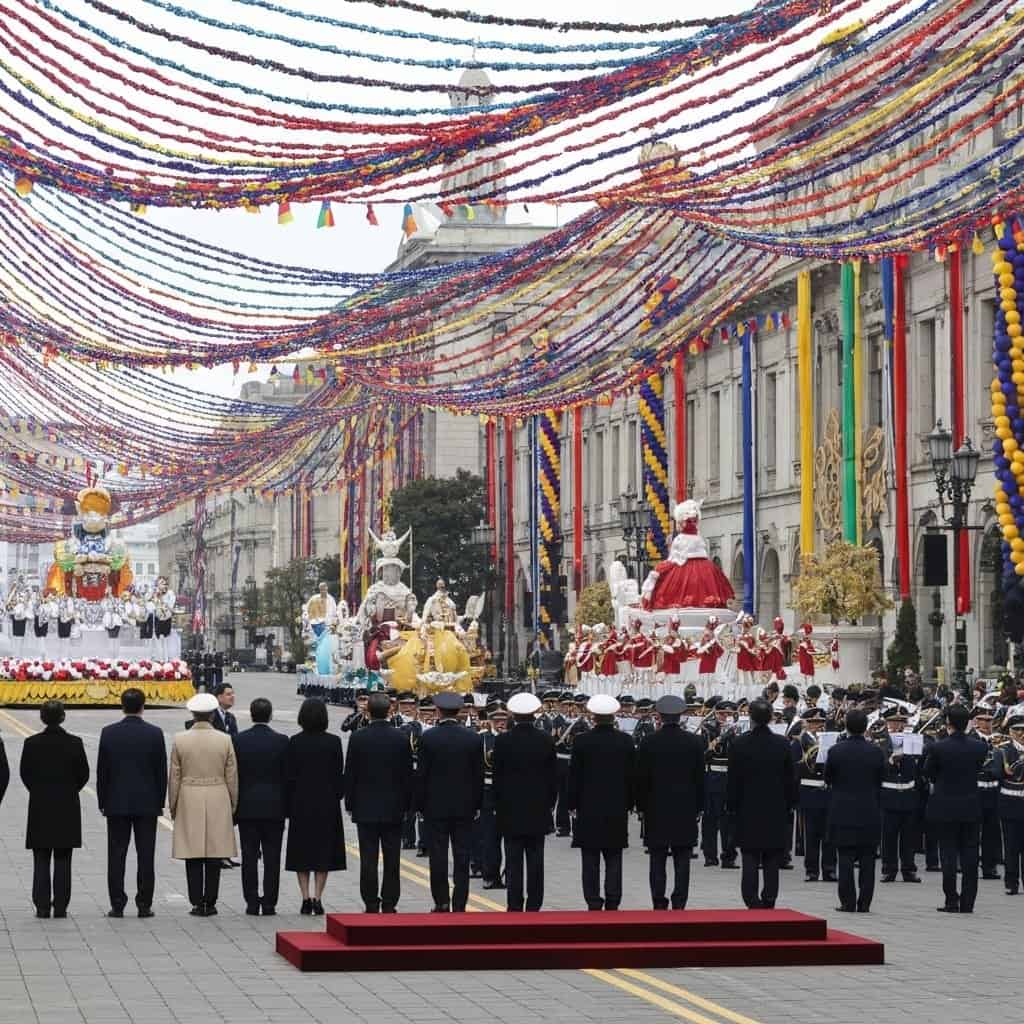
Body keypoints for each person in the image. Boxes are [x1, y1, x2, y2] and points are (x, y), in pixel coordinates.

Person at [96, 688, 167, 918]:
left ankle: (117, 904)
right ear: (143, 706)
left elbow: (102, 772)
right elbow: (160, 772)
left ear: (122, 706)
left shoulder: (108, 733)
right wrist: (159, 801)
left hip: (116, 803)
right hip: (147, 804)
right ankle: (144, 904)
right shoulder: (155, 734)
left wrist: (102, 801)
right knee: (146, 855)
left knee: (116, 855)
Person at [168, 693, 239, 916]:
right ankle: (212, 900)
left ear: (192, 713)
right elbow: (232, 775)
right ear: (211, 715)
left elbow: (174, 776)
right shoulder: (224, 739)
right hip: (218, 792)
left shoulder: (180, 739)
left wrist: (173, 804)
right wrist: (233, 803)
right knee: (214, 851)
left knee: (193, 851)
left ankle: (197, 900)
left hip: (189, 793)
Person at [344, 691, 413, 913]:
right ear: (390, 711)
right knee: (393, 858)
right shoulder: (401, 738)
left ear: (368, 711)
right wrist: (407, 805)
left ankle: (371, 902)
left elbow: (351, 773)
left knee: (368, 858)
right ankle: (390, 901)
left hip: (366, 807)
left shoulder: (358, 738)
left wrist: (350, 803)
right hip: (394, 807)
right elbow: (407, 776)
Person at [19, 700, 89, 918]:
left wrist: (39, 791)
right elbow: (83, 775)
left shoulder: (31, 743)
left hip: (40, 805)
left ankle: (41, 906)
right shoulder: (74, 743)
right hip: (66, 805)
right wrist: (69, 790)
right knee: (63, 858)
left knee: (40, 857)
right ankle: (60, 906)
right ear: (63, 717)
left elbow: (25, 773)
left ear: (42, 717)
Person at [416, 690, 483, 912]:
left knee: (438, 855)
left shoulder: (428, 737)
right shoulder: (473, 738)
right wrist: (477, 805)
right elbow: (478, 776)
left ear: (438, 710)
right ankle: (460, 902)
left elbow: (422, 775)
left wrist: (419, 805)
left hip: (435, 807)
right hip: (465, 807)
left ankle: (441, 901)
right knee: (462, 855)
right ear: (460, 711)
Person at [635, 695, 705, 910]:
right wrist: (699, 807)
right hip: (685, 808)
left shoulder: (648, 742)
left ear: (660, 716)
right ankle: (679, 901)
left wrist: (641, 807)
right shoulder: (694, 742)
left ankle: (658, 900)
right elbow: (699, 778)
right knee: (682, 858)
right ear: (681, 715)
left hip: (656, 808)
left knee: (657, 858)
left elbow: (641, 778)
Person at [726, 698, 797, 909]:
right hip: (775, 808)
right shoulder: (782, 744)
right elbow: (790, 779)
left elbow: (733, 780)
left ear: (751, 718)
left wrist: (731, 806)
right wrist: (791, 804)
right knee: (771, 857)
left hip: (747, 808)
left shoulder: (739, 744)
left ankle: (751, 899)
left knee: (749, 854)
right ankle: (769, 898)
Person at [567, 694, 636, 911]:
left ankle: (593, 900)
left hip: (588, 808)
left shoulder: (581, 741)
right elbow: (632, 776)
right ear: (614, 716)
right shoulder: (625, 741)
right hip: (616, 807)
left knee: (590, 858)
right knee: (614, 857)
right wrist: (631, 803)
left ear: (593, 716)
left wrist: (571, 804)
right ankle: (613, 899)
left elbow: (574, 777)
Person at [492, 692, 558, 912]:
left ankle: (514, 903)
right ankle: (535, 903)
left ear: (512, 714)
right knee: (536, 860)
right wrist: (549, 804)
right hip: (538, 809)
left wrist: (497, 806)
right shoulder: (546, 739)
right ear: (535, 713)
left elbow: (497, 778)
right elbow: (552, 778)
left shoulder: (502, 740)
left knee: (513, 861)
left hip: (510, 810)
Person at [924, 703, 988, 913]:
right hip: (970, 804)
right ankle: (968, 902)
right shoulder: (979, 746)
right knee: (970, 854)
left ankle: (951, 899)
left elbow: (928, 772)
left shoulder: (938, 747)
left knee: (948, 853)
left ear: (948, 723)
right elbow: (978, 769)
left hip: (945, 805)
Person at [286, 698, 346, 915]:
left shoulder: (294, 742)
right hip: (326, 804)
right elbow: (339, 774)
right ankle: (318, 898)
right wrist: (337, 796)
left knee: (302, 852)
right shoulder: (333, 742)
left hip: (301, 804)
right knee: (323, 853)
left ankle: (304, 897)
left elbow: (289, 776)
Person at [824, 708, 885, 913]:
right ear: (866, 727)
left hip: (843, 809)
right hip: (869, 809)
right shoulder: (876, 751)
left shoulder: (836, 751)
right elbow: (880, 779)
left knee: (845, 857)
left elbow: (828, 778)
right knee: (868, 858)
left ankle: (847, 901)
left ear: (846, 726)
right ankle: (865, 902)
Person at [233, 698, 289, 915]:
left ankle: (251, 901)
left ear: (251, 714)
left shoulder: (239, 740)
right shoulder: (282, 741)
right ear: (270, 715)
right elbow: (287, 776)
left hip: (247, 807)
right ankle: (270, 902)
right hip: (275, 807)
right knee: (272, 856)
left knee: (249, 856)